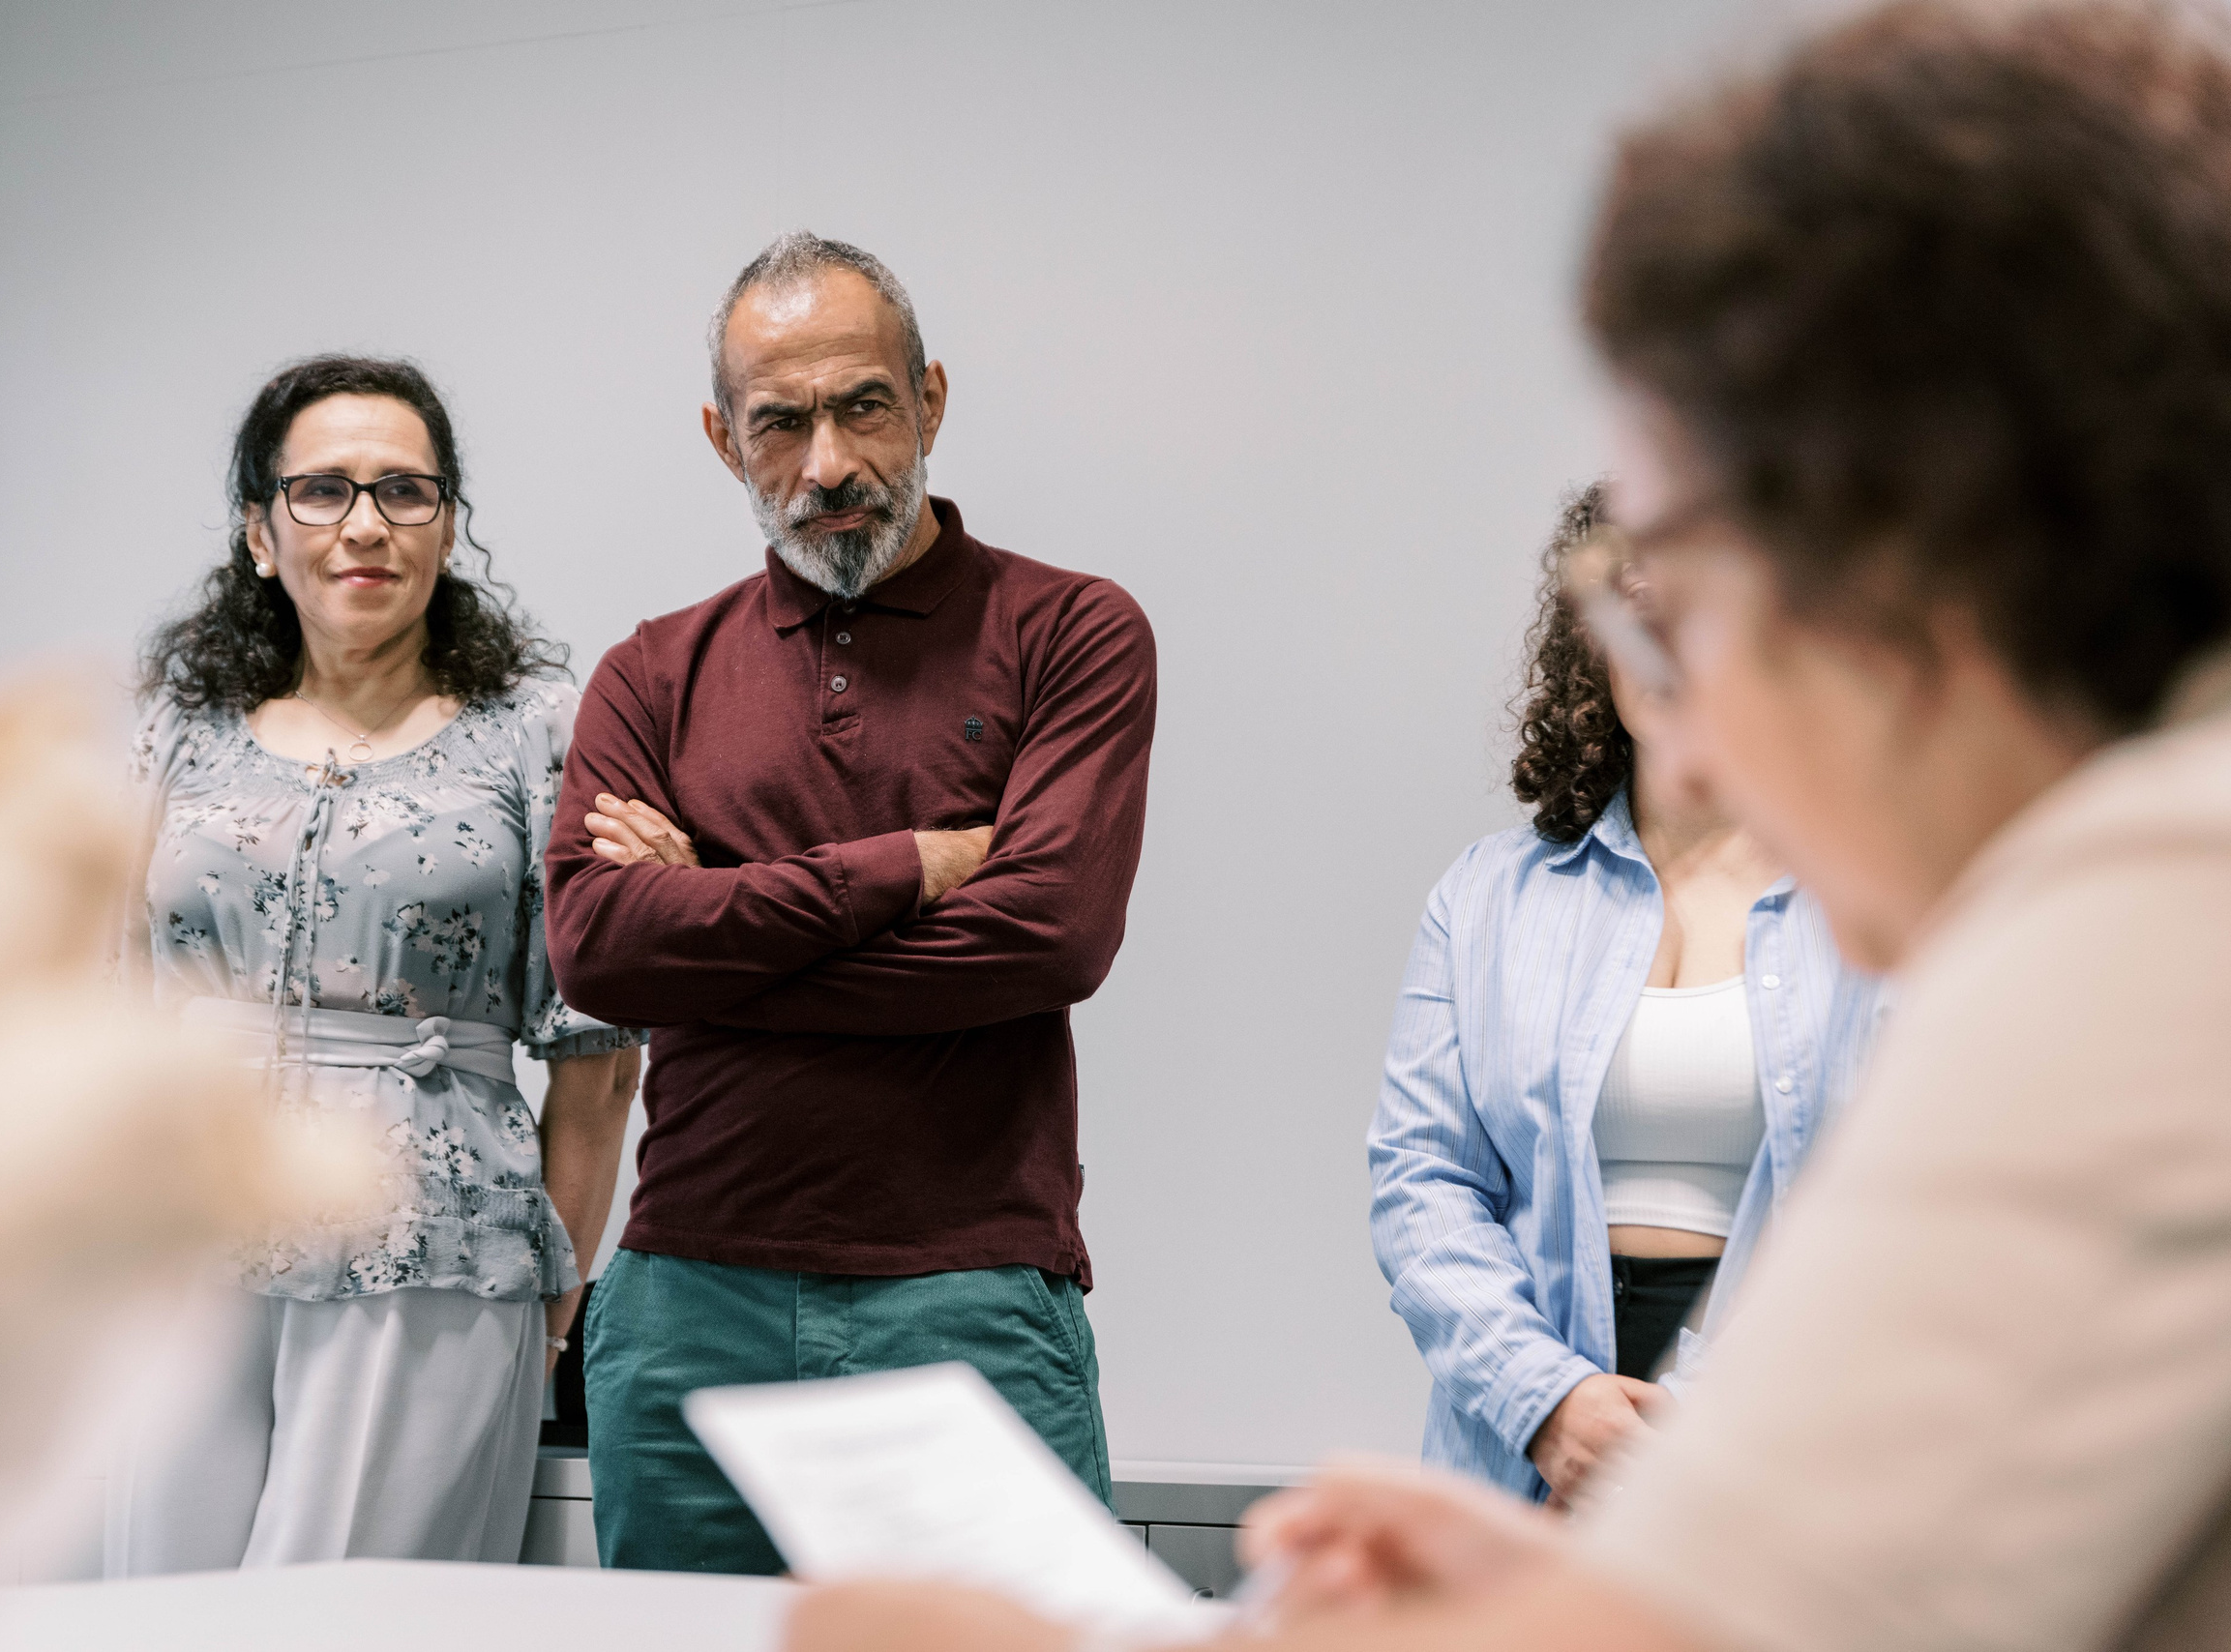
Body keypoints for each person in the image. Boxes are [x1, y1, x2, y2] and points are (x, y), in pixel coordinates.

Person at [781, 2, 2231, 1647]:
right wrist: (1572, 1572)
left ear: (1899, 557)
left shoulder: (2157, 920)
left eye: (1675, 588)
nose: (1687, 708)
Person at [542, 232, 1156, 1575]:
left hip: (971, 1293)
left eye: (863, 406)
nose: (827, 464)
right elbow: (595, 953)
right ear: (723, 438)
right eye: (781, 422)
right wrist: (896, 872)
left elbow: (1047, 936)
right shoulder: (650, 673)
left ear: (929, 400)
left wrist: (709, 921)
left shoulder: (1070, 631)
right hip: (684, 1302)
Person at [106, 354, 642, 1572]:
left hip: (435, 1242)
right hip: (178, 1233)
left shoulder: (537, 730)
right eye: (323, 491)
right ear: (258, 530)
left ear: (448, 525)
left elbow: (597, 1063)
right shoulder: (175, 728)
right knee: (155, 1616)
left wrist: (548, 1307)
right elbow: (113, 1004)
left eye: (405, 490)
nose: (365, 524)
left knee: (344, 1621)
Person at [1372, 482, 1879, 1509]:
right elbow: (1421, 1182)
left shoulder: (1875, 900)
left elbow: (1898, 1206)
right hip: (1517, 1455)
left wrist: (1682, 1423)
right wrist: (1550, 1403)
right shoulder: (1484, 896)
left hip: (1782, 1454)